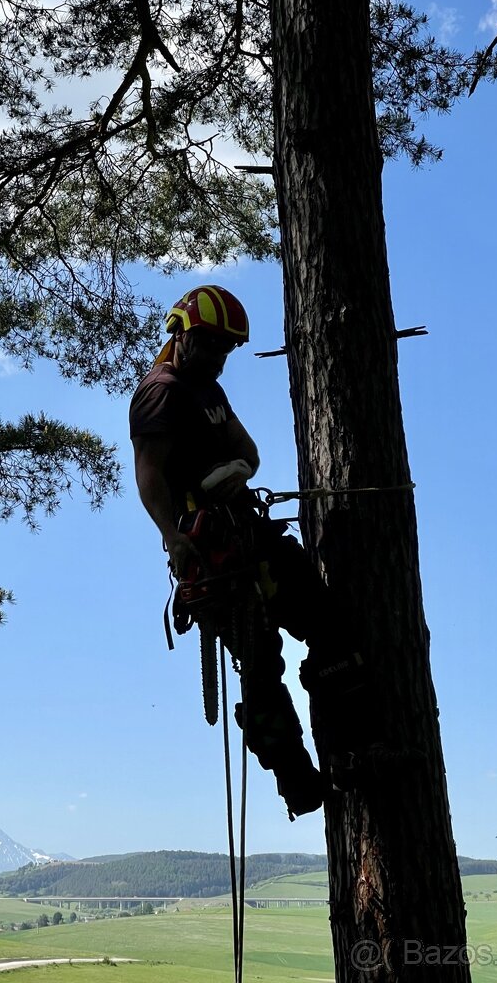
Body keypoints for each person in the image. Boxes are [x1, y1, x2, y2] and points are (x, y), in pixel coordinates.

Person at [129, 285, 368, 819]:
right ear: (182, 333)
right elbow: (148, 476)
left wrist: (237, 471)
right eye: (212, 344)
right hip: (212, 557)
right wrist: (175, 536)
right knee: (262, 672)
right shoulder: (161, 392)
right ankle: (299, 784)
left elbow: (248, 451)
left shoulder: (208, 390)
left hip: (247, 534)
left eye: (227, 349)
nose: (219, 358)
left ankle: (354, 745)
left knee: (328, 623)